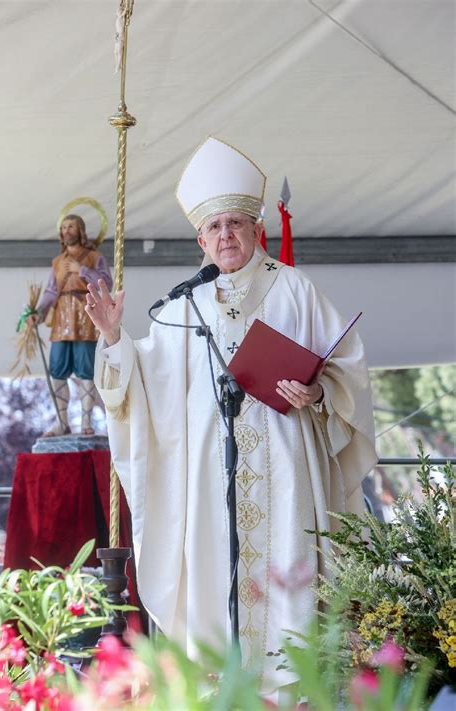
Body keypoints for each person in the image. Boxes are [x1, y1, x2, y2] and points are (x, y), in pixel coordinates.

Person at [86, 137, 377, 692]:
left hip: (286, 471)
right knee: (216, 571)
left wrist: (316, 396)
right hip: (209, 478)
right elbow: (141, 387)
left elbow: (346, 368)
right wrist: (112, 337)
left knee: (288, 581)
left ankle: (292, 688)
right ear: (201, 239)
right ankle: (221, 685)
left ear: (254, 230)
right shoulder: (182, 306)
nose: (225, 235)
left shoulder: (295, 291)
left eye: (235, 224)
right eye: (214, 227)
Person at [29, 214, 113, 436]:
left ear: (80, 230)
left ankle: (86, 422)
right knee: (57, 369)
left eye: (71, 227)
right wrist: (39, 312)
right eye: (64, 227)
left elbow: (107, 283)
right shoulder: (57, 262)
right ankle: (61, 421)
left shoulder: (94, 257)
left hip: (85, 316)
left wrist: (81, 270)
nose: (67, 231)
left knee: (86, 370)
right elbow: (50, 291)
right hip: (62, 318)